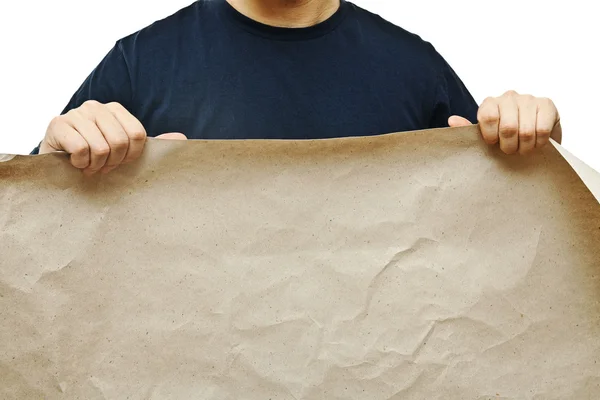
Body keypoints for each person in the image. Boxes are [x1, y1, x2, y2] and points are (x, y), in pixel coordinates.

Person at [33, 0, 561, 175]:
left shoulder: (413, 66)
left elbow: (494, 236)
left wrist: (537, 148)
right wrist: (54, 160)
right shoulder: (140, 62)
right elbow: (33, 244)